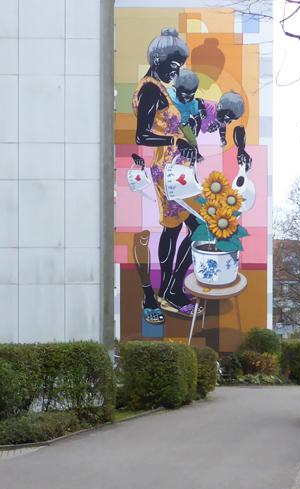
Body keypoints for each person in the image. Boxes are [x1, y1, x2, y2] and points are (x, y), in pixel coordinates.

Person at [131, 28, 200, 318]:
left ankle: (169, 291)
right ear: (157, 59)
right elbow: (142, 135)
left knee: (176, 229)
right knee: (197, 227)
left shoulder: (158, 88)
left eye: (180, 65)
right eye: (174, 64)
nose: (177, 71)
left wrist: (187, 138)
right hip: (169, 171)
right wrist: (176, 140)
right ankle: (171, 290)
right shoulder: (149, 89)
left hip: (175, 169)